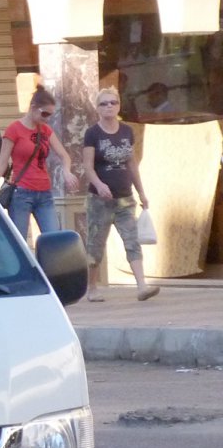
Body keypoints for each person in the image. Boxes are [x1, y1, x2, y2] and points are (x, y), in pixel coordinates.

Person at [82, 88, 160, 302]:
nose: (109, 107)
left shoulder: (126, 131)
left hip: (125, 198)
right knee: (96, 243)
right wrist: (98, 184)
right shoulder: (92, 133)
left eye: (113, 103)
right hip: (100, 200)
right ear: (97, 108)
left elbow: (132, 163)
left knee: (131, 240)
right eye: (104, 103)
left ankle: (142, 286)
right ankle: (92, 287)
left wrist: (141, 191)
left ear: (119, 106)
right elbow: (88, 166)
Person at [0, 87, 80, 238]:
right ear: (33, 108)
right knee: (19, 241)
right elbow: (2, 163)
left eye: (50, 115)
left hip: (44, 192)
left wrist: (66, 171)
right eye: (44, 114)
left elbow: (64, 155)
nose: (47, 118)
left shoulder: (45, 130)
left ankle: (44, 262)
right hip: (22, 192)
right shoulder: (14, 129)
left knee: (54, 240)